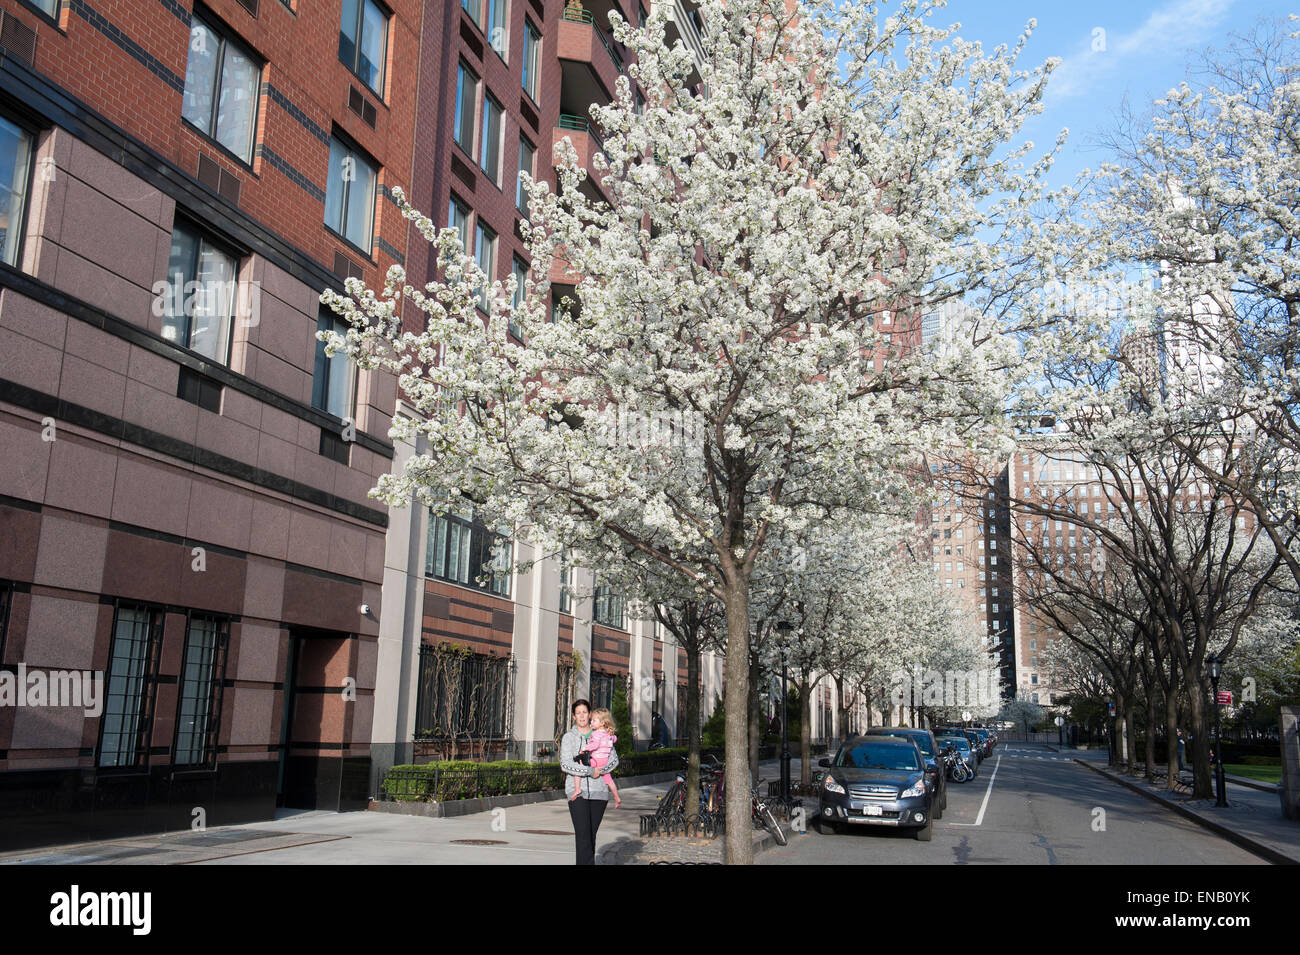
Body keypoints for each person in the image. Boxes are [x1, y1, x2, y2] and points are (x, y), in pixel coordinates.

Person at [561, 699, 619, 865]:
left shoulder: (603, 734)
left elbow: (614, 760)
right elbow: (566, 764)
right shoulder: (569, 738)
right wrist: (589, 771)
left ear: (590, 714)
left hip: (599, 792)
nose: (581, 716)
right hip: (576, 792)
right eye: (578, 713)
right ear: (573, 716)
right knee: (583, 835)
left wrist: (600, 770)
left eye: (584, 712)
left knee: (590, 836)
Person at [573, 708, 621, 808]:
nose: (592, 722)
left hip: (596, 760)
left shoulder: (596, 734)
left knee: (578, 765)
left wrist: (584, 748)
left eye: (594, 720)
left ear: (602, 723)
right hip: (605, 761)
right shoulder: (609, 734)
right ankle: (617, 797)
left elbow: (594, 745)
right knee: (609, 781)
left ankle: (577, 788)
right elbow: (615, 739)